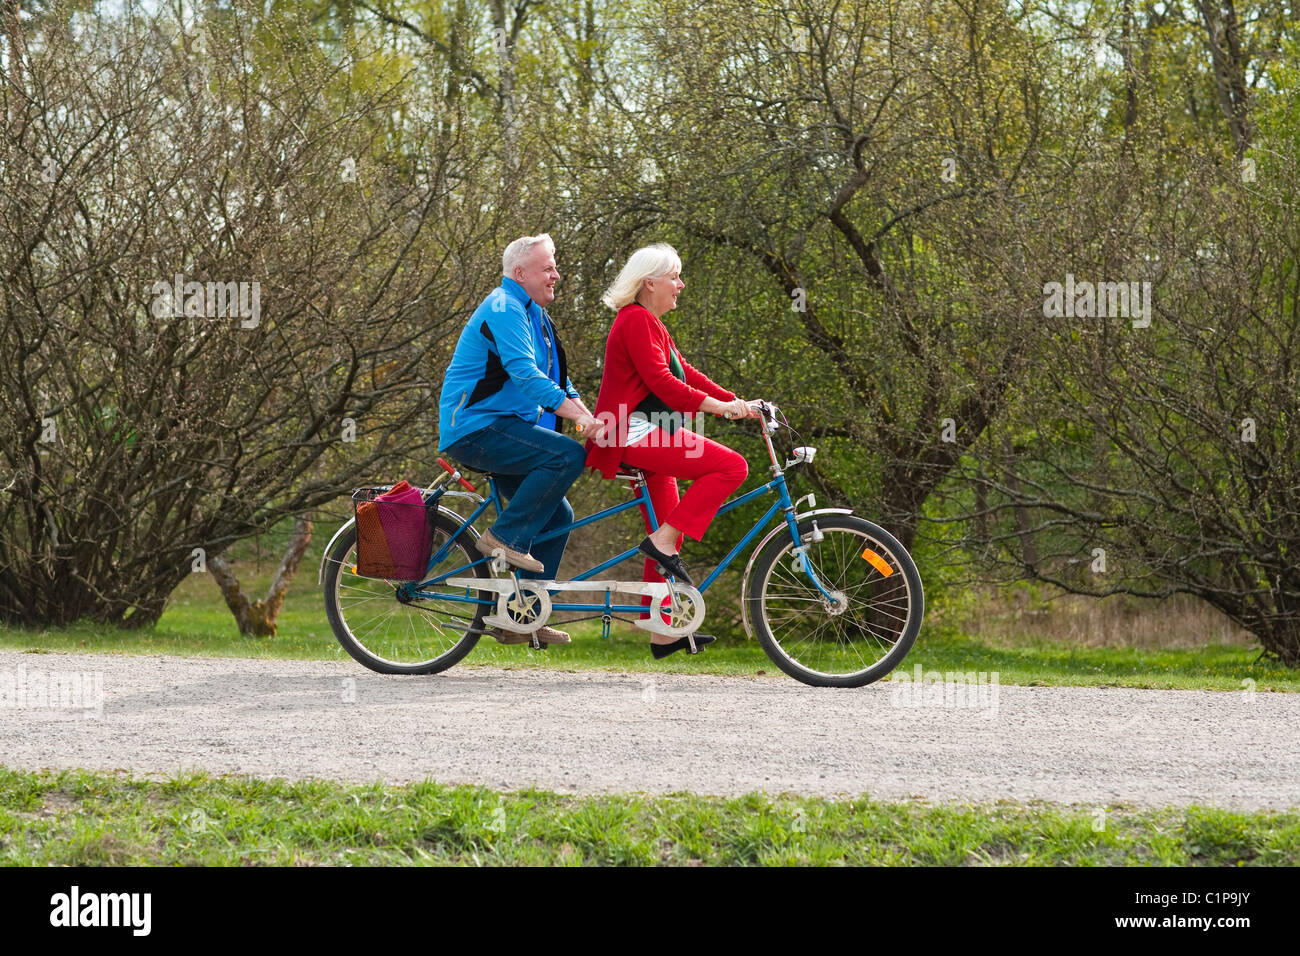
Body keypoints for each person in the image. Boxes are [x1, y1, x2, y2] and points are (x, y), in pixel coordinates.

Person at [585, 243, 758, 659]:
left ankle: (662, 631)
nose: (680, 285)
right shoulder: (635, 321)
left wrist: (740, 402)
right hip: (634, 433)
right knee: (731, 466)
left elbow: (688, 374)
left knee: (666, 531)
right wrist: (721, 409)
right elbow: (664, 383)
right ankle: (661, 546)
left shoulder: (650, 323)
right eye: (674, 277)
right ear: (650, 283)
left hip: (646, 431)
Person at [438, 234, 605, 645]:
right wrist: (579, 424)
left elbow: (559, 381)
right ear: (520, 273)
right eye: (548, 267)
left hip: (502, 429)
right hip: (476, 428)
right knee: (567, 454)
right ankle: (503, 538)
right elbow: (526, 376)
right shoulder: (503, 306)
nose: (556, 275)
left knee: (558, 516)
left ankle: (520, 614)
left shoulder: (535, 315)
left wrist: (588, 417)